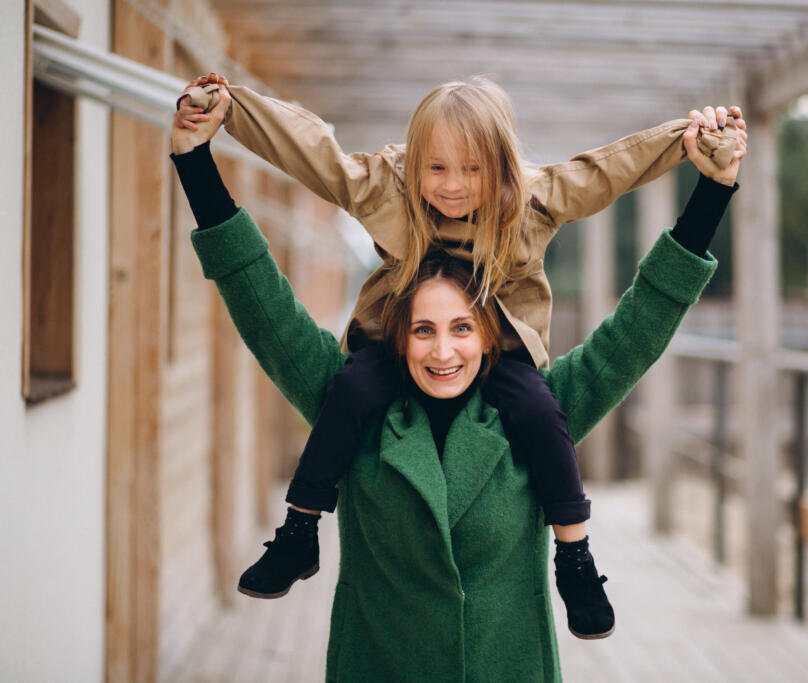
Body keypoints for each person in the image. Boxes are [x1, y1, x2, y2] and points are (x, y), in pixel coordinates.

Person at [172, 82, 743, 679]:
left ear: (491, 333)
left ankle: (575, 561)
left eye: (463, 329)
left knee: (536, 403)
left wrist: (707, 176)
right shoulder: (354, 403)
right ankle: (297, 531)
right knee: (356, 382)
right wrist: (200, 152)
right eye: (423, 330)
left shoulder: (539, 404)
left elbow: (638, 310)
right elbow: (260, 280)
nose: (443, 350)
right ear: (399, 331)